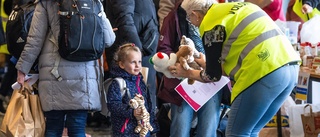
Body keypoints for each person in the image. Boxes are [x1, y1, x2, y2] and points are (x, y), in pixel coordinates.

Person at [168, 0, 301, 136]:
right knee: (251, 131)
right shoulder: (239, 7)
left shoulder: (210, 23)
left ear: (195, 14)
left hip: (264, 72)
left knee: (236, 133)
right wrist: (208, 64)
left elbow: (212, 76)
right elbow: (238, 55)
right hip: (290, 68)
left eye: (189, 19)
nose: (192, 23)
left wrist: (187, 73)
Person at [15, 0, 115, 136]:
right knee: (78, 128)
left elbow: (34, 40)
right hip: (84, 77)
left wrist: (22, 70)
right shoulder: (93, 2)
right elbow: (109, 39)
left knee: (53, 128)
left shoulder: (46, 3)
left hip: (53, 75)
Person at [157, 0, 222, 137]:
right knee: (180, 128)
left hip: (211, 82)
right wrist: (175, 60)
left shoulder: (217, 16)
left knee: (208, 130)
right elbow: (164, 48)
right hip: (183, 81)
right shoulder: (175, 16)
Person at [104, 0, 159, 113]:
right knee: (133, 107)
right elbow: (124, 19)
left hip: (142, 50)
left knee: (145, 105)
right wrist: (136, 52)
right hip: (133, 54)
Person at [106, 43, 159, 136]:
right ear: (122, 64)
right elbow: (112, 105)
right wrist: (131, 112)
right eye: (133, 62)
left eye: (139, 62)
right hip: (125, 131)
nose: (137, 65)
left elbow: (148, 105)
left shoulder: (140, 81)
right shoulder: (118, 83)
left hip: (143, 130)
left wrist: (152, 124)